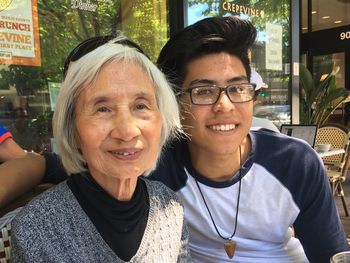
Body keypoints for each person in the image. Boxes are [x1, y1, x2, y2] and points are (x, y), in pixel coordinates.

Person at [1, 17, 349, 262]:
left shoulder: (294, 162)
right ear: (176, 105)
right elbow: (53, 164)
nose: (224, 106)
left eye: (237, 88)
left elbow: (331, 255)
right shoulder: (149, 162)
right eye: (203, 91)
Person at [10, 35, 190, 262]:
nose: (127, 131)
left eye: (140, 106)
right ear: (72, 130)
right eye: (103, 109)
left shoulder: (170, 207)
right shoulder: (37, 230)